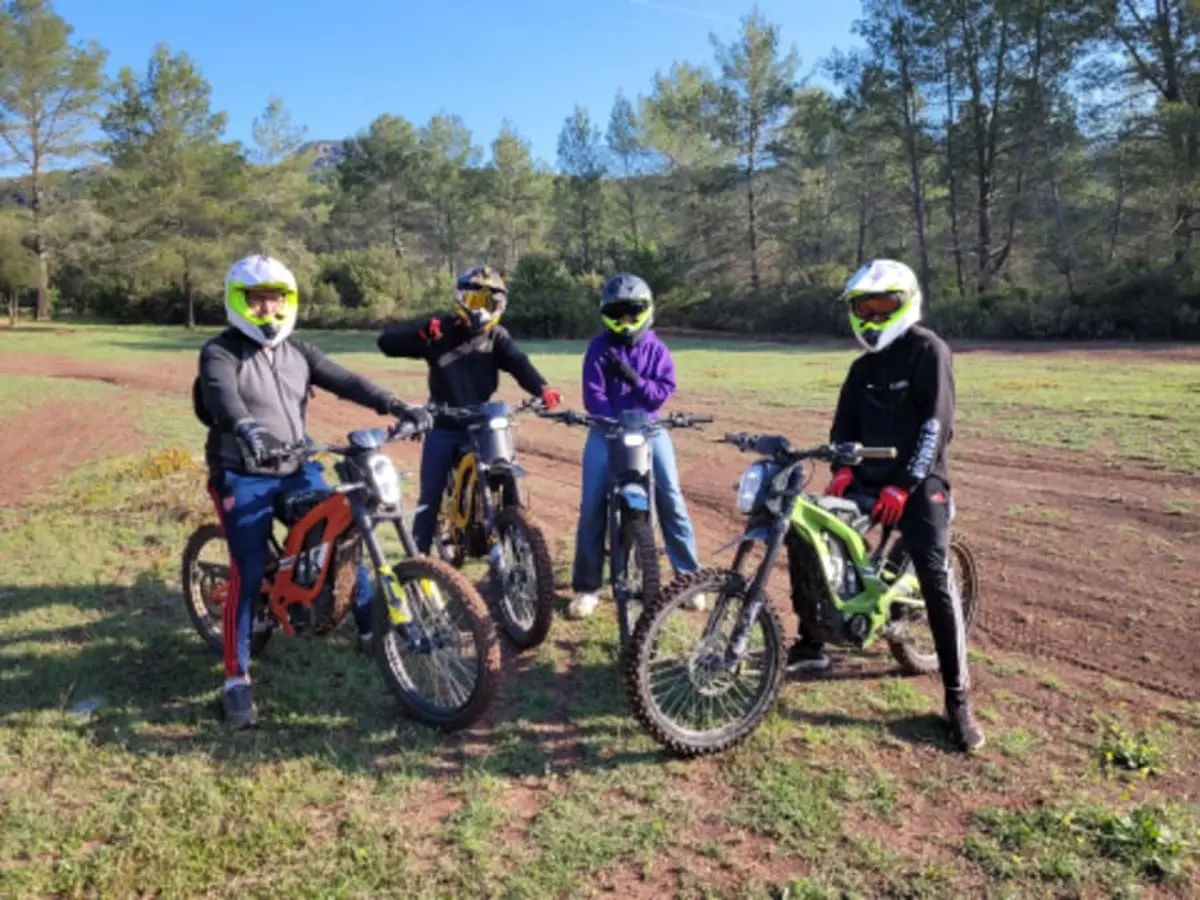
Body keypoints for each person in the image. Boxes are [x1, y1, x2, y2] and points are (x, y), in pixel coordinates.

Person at [197, 253, 432, 731]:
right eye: (257, 302)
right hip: (241, 471)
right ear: (237, 302)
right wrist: (245, 428)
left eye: (277, 301)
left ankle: (370, 630)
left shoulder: (298, 351)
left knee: (347, 533)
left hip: (297, 465)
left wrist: (395, 404)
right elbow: (222, 393)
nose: (269, 311)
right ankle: (235, 679)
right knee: (246, 568)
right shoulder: (220, 351)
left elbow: (345, 379)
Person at [786, 258, 984, 752]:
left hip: (921, 485)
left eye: (882, 307)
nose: (872, 318)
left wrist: (906, 484)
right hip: (867, 481)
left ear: (907, 302)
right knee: (805, 533)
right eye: (863, 309)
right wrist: (844, 471)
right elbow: (843, 429)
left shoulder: (929, 351)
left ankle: (958, 699)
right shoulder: (862, 368)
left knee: (937, 577)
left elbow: (936, 427)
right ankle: (813, 640)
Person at [376, 265, 562, 555]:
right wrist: (419, 332)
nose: (481, 309)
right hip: (443, 422)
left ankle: (522, 548)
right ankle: (418, 563)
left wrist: (542, 388)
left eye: (489, 302)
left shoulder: (497, 337)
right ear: (460, 298)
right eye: (475, 300)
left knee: (508, 476)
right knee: (431, 496)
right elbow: (386, 343)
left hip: (483, 423)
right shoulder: (438, 330)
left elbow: (517, 361)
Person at [569, 273, 706, 618]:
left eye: (632, 313)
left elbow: (663, 391)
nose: (625, 321)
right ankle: (587, 587)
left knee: (671, 497)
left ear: (645, 311)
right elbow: (593, 395)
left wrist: (633, 379)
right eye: (617, 314)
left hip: (651, 429)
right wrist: (612, 421)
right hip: (606, 431)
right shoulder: (598, 348)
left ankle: (688, 575)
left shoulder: (656, 349)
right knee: (591, 505)